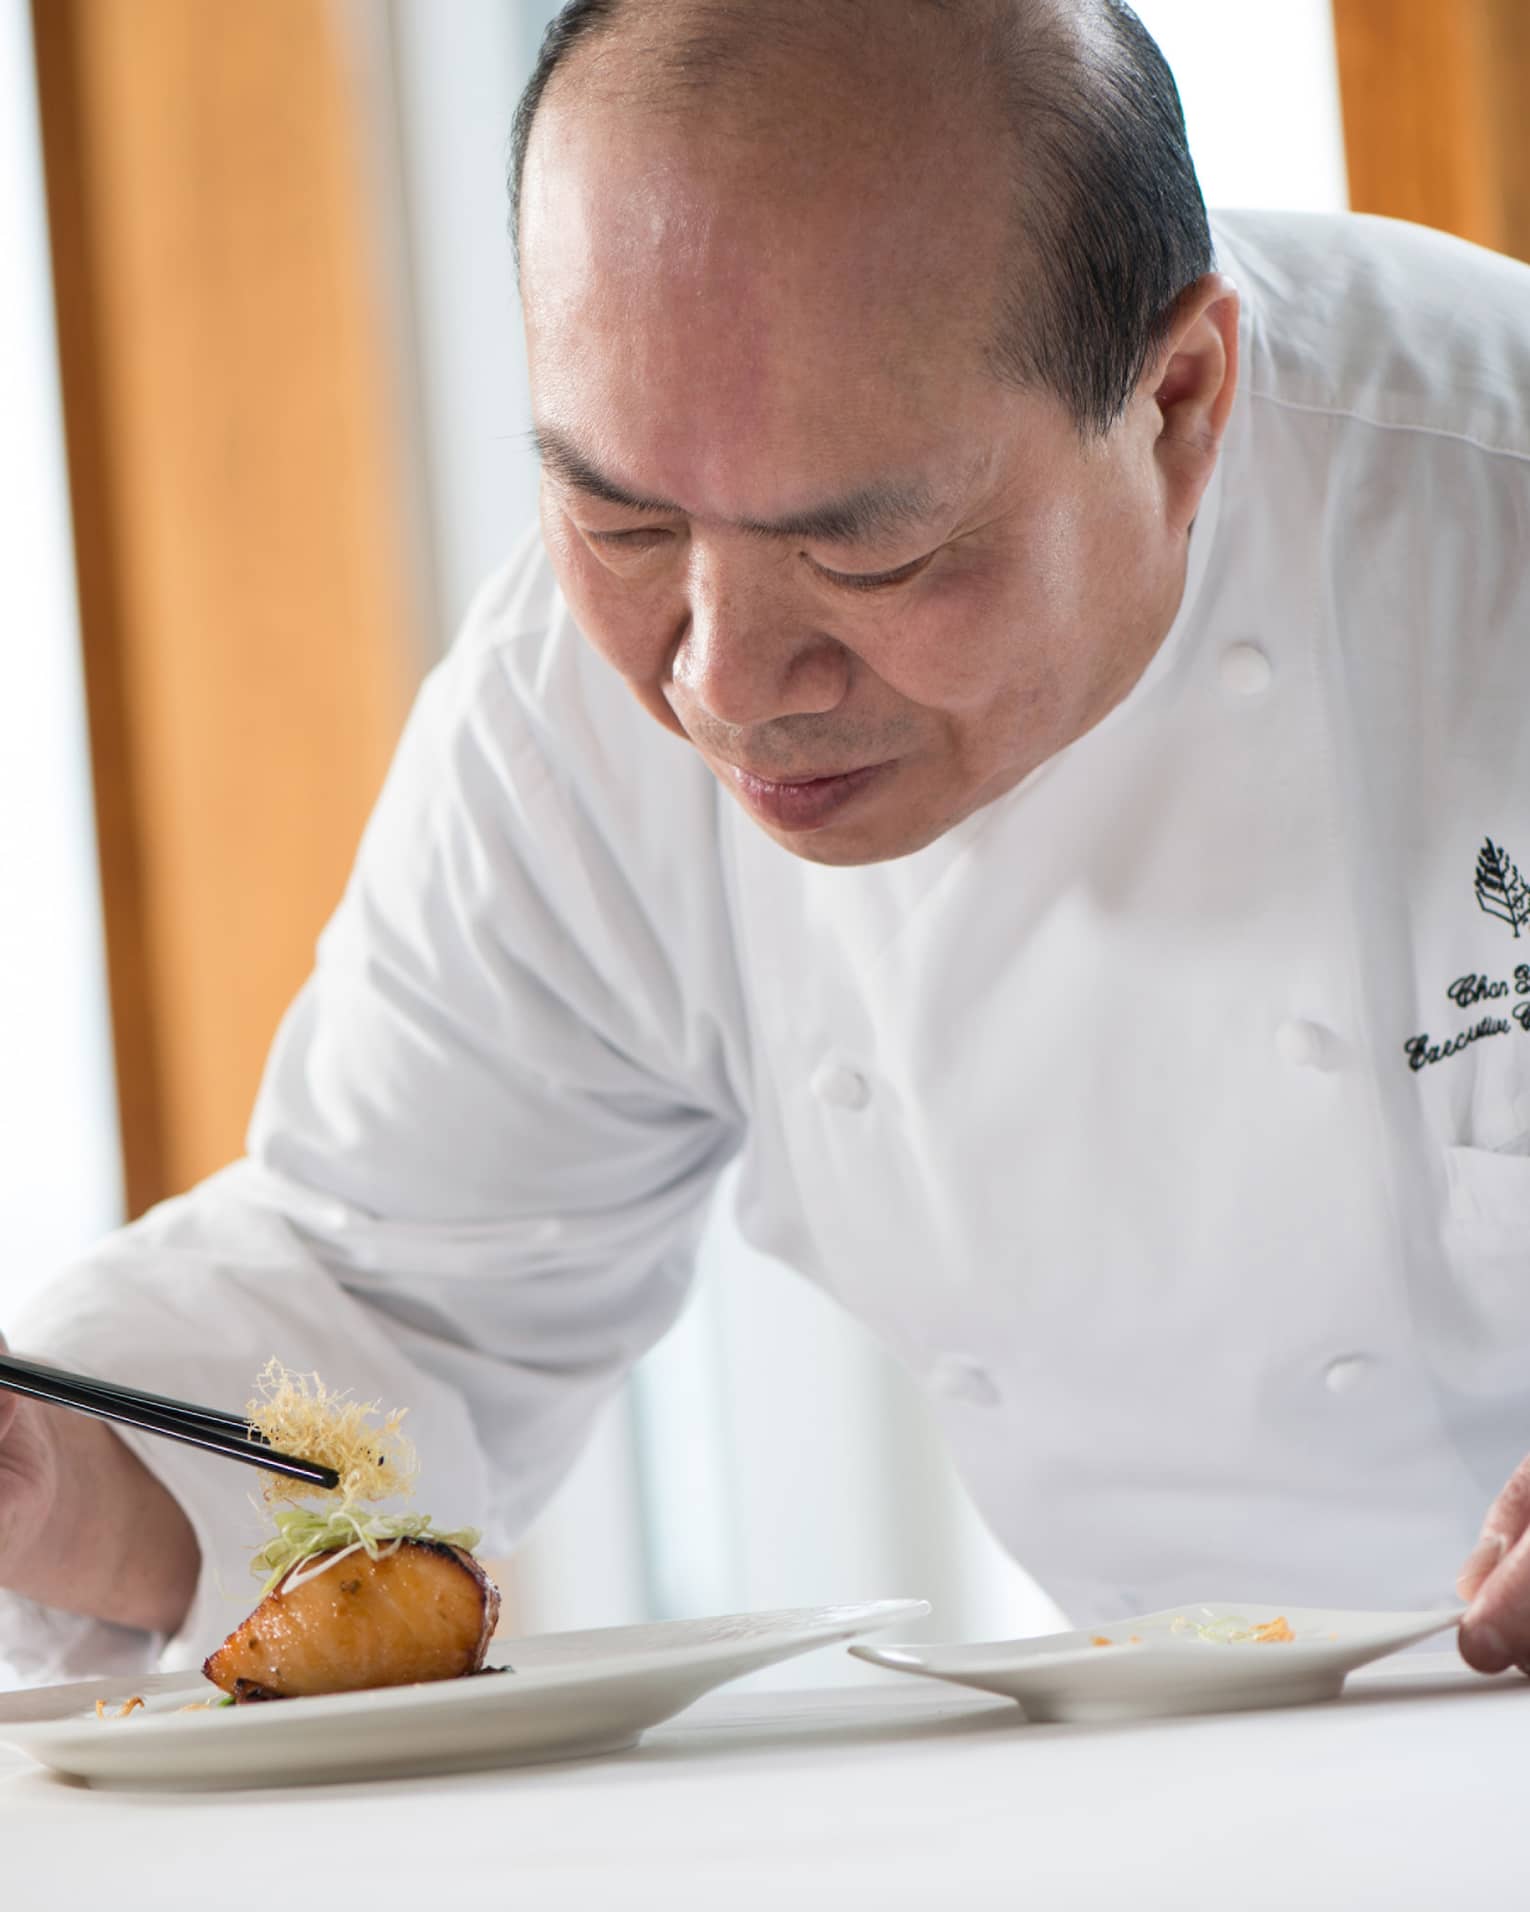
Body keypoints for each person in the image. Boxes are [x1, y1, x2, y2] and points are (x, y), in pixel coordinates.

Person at [3, 0, 1529, 1685]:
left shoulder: (1497, 511)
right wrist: (46, 1475)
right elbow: (389, 1298)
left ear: (1176, 402)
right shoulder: (573, 706)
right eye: (617, 517)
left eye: (866, 554)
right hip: (1169, 1761)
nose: (721, 682)